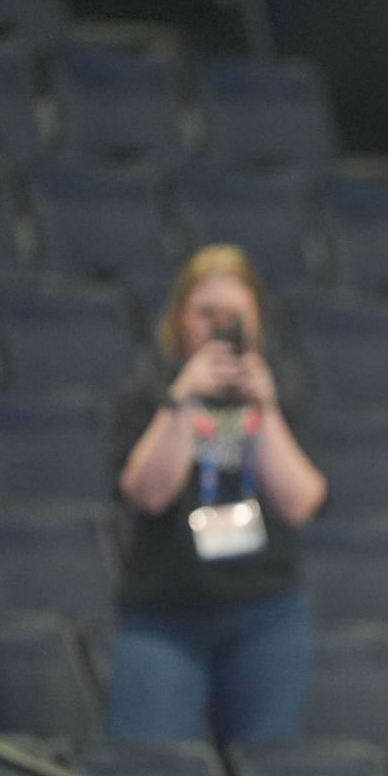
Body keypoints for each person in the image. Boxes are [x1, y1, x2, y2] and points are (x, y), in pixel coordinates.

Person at [108, 245, 328, 743]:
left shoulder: (282, 390)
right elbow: (148, 492)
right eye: (206, 314)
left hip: (265, 616)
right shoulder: (151, 390)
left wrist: (265, 411)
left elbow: (301, 502)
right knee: (152, 773)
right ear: (180, 319)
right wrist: (182, 400)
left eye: (234, 316)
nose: (219, 327)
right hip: (165, 613)